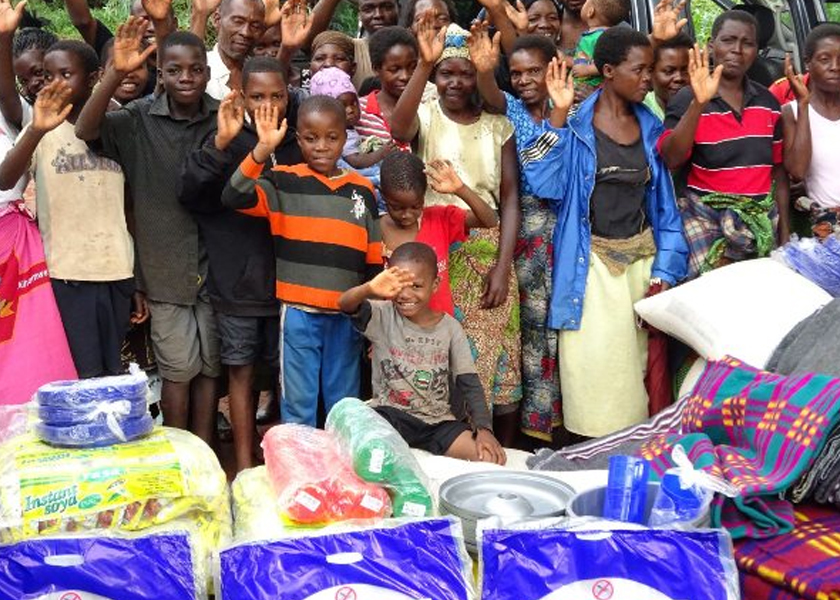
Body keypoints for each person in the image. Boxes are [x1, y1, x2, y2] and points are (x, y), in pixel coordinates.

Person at [519, 27, 688, 439]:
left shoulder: (651, 128)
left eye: (650, 69)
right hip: (589, 267)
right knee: (593, 373)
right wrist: (557, 114)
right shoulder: (577, 126)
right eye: (640, 70)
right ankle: (590, 460)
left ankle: (629, 460)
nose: (648, 79)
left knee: (639, 374)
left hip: (641, 268)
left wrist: (664, 270)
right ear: (609, 71)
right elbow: (542, 180)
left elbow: (665, 211)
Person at [75, 23, 221, 445]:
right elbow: (86, 130)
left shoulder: (220, 116)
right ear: (161, 73)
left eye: (196, 70)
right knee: (178, 369)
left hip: (215, 268)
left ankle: (206, 450)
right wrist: (114, 74)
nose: (187, 78)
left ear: (207, 73)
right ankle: (177, 451)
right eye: (175, 71)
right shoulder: (138, 118)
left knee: (212, 368)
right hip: (164, 270)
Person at [390, 19, 522, 445]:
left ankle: (491, 451)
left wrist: (503, 266)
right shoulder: (425, 115)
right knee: (434, 358)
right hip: (435, 250)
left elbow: (509, 199)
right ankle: (444, 444)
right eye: (448, 72)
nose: (456, 82)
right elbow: (397, 129)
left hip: (486, 247)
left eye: (466, 72)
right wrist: (424, 66)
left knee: (491, 363)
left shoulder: (499, 126)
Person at [221, 95, 383, 428]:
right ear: (298, 139)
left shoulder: (363, 189)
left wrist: (370, 319)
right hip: (299, 314)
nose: (321, 146)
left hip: (346, 316)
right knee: (298, 402)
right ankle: (299, 473)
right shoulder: (283, 180)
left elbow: (373, 258)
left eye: (332, 137)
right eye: (311, 138)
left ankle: (341, 474)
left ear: (344, 136)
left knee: (345, 403)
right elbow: (233, 195)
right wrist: (262, 150)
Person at [179, 57, 301, 472]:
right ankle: (246, 466)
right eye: (258, 96)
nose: (268, 105)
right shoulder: (226, 137)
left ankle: (284, 464)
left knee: (287, 378)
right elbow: (191, 195)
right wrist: (218, 144)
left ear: (290, 94)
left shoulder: (299, 139)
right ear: (241, 96)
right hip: (237, 281)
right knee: (241, 374)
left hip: (290, 281)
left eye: (277, 96)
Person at [0, 40, 137, 379]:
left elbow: (132, 208)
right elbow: (5, 179)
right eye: (47, 76)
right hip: (65, 272)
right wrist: (35, 130)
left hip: (118, 267)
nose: (53, 83)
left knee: (115, 368)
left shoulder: (118, 126)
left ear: (93, 78)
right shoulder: (40, 128)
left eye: (65, 74)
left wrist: (141, 280)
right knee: (82, 370)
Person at [470, 27, 562, 443]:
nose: (524, 80)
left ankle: (560, 424)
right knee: (527, 330)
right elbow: (490, 91)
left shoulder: (575, 110)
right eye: (517, 72)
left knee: (560, 334)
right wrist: (487, 71)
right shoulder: (509, 109)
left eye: (534, 71)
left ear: (553, 70)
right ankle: (529, 430)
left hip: (566, 232)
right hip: (523, 232)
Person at [338, 242, 506, 464]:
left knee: (489, 457)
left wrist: (484, 429)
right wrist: (370, 288)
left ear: (435, 284)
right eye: (400, 285)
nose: (406, 295)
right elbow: (345, 304)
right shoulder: (382, 315)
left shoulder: (450, 328)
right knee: (365, 451)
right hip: (390, 417)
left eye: (416, 286)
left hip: (437, 424)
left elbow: (469, 382)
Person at [658, 10, 789, 280]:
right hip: (706, 222)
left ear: (757, 50)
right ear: (710, 44)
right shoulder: (686, 99)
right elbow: (671, 158)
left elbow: (778, 172)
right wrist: (699, 103)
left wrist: (784, 234)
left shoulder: (768, 102)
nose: (737, 50)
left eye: (748, 43)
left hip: (761, 224)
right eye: (728, 40)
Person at [379, 151, 498, 316]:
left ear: (424, 196)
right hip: (394, 333)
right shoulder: (376, 229)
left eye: (415, 206)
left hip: (438, 332)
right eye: (396, 207)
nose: (406, 215)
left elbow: (489, 220)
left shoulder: (439, 220)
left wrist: (460, 189)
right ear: (383, 195)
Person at [782, 24, 840, 239]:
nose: (835, 67)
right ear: (808, 63)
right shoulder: (792, 112)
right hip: (826, 223)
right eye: (825, 59)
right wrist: (804, 104)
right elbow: (797, 171)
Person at [309, 66, 394, 171]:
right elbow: (356, 161)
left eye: (353, 103)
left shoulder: (349, 130)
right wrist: (381, 153)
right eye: (343, 105)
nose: (350, 110)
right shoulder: (339, 135)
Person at [357, 26, 418, 152]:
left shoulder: (426, 108)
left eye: (412, 67)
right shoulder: (358, 113)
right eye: (394, 69)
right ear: (376, 69)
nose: (405, 76)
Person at [572, 0, 630, 93]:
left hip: (593, 89)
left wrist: (588, 70)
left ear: (590, 11)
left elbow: (611, 63)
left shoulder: (605, 37)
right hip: (581, 86)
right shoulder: (593, 35)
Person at [643, 31, 691, 119]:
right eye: (669, 71)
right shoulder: (639, 110)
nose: (679, 78)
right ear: (651, 73)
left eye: (685, 70)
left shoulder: (706, 109)